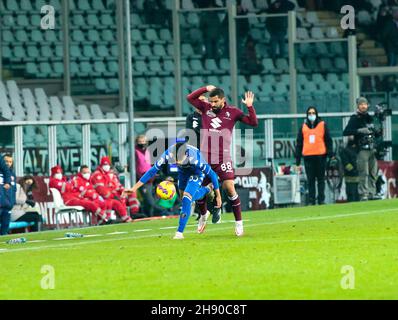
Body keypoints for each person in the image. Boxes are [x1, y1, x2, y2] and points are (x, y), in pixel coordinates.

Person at [187, 86, 258, 236]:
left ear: (223, 100)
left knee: (229, 187)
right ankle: (203, 214)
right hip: (205, 157)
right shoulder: (205, 108)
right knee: (201, 188)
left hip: (222, 157)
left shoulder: (233, 112)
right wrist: (205, 88)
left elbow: (253, 122)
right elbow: (190, 98)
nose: (212, 104)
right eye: (211, 101)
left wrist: (250, 107)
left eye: (215, 101)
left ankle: (239, 223)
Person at [130, 142, 222, 239]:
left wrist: (218, 196)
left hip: (196, 173)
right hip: (183, 173)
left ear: (186, 154)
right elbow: (152, 171)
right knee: (185, 198)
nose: (176, 162)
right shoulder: (168, 153)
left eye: (179, 160)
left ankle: (179, 233)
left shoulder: (195, 158)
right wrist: (134, 188)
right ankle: (207, 190)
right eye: (175, 159)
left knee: (187, 198)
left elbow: (212, 174)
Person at [343, 97, 380, 201]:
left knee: (373, 173)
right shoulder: (354, 118)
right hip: (362, 149)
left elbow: (374, 132)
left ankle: (372, 192)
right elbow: (346, 132)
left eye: (365, 104)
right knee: (364, 173)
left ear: (368, 105)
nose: (363, 106)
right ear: (358, 106)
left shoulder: (369, 117)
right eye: (361, 104)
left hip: (372, 148)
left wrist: (377, 132)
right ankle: (364, 194)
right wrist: (359, 130)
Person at [295, 106, 333, 205]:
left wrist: (330, 154)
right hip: (308, 157)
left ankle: (321, 199)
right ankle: (312, 200)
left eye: (313, 113)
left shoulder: (322, 125)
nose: (311, 115)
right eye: (309, 113)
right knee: (310, 180)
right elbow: (299, 144)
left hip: (321, 157)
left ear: (316, 114)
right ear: (307, 115)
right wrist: (297, 160)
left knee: (321, 180)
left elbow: (328, 140)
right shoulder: (303, 127)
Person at [91, 157, 133, 222]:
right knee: (114, 202)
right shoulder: (97, 175)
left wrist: (123, 191)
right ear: (101, 165)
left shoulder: (110, 174)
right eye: (104, 165)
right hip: (101, 197)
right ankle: (107, 219)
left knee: (128, 196)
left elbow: (118, 185)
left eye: (107, 165)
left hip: (111, 195)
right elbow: (101, 190)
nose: (106, 166)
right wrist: (114, 195)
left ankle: (130, 214)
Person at [339, 138, 360, 202]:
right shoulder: (355, 150)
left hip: (351, 177)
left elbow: (346, 163)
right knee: (353, 196)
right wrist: (354, 171)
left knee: (353, 195)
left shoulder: (345, 151)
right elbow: (346, 164)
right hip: (351, 177)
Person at [0, 154, 13, 235]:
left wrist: (7, 182)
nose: (8, 163)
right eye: (6, 161)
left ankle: (3, 235)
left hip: (4, 201)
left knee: (5, 213)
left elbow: (5, 170)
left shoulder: (9, 174)